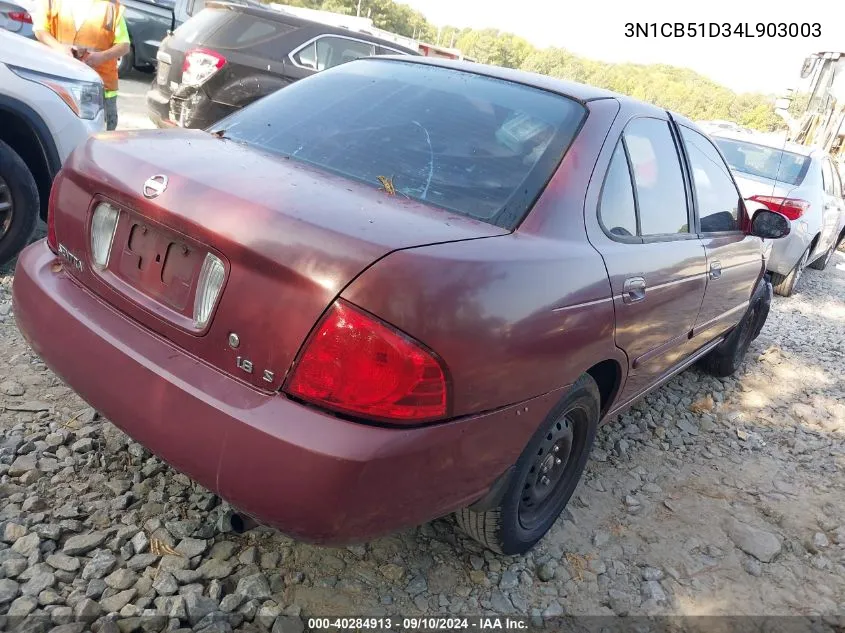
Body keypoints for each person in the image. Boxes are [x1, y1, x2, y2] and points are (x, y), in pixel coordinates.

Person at [32, 0, 130, 131]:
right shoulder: (52, 2)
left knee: (98, 141)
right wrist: (60, 49)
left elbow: (124, 45)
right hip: (59, 85)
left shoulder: (110, 7)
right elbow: (40, 30)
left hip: (101, 90)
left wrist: (101, 57)